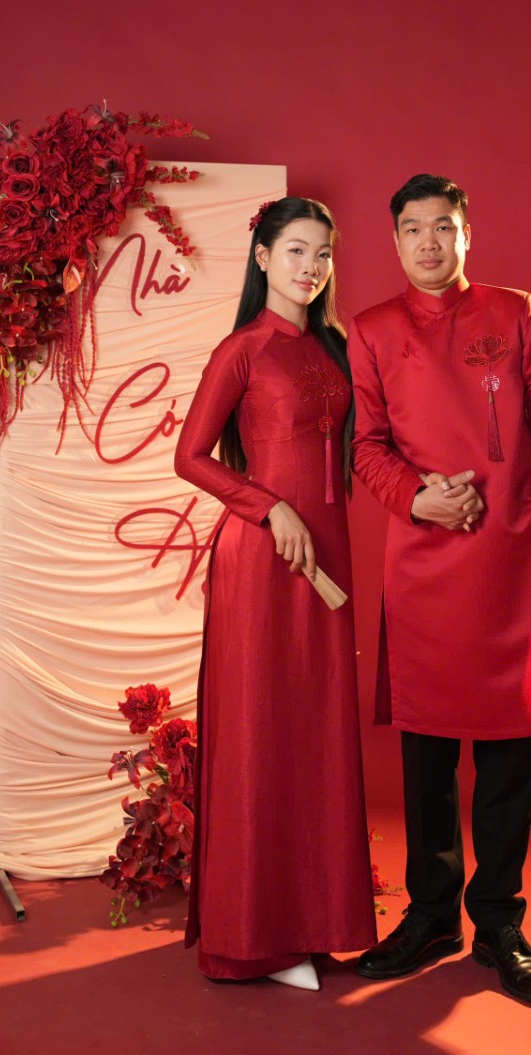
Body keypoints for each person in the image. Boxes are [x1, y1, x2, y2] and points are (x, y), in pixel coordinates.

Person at [348, 173, 531, 1007]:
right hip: (425, 555)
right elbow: (367, 444)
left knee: (508, 752)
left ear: (466, 234)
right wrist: (414, 497)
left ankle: (498, 921)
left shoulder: (516, 313)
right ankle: (430, 917)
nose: (430, 242)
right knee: (425, 752)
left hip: (517, 555)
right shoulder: (372, 330)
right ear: (395, 241)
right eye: (413, 229)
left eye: (444, 227)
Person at [174, 197, 377, 990]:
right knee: (261, 731)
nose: (311, 267)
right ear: (262, 257)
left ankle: (314, 921)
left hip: (329, 558)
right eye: (295, 250)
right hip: (264, 559)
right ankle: (254, 936)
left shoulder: (335, 347)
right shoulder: (243, 350)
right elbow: (191, 457)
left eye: (323, 253)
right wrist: (269, 507)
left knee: (317, 732)